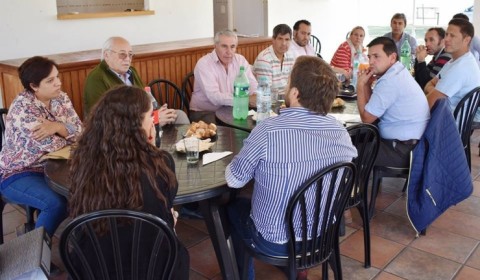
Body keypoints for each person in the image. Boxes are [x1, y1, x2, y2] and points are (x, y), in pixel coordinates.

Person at [225, 56, 357, 278]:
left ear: (295, 93)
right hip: (322, 237)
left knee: (231, 208)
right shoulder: (341, 133)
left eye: (287, 84)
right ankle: (299, 269)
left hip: (275, 243)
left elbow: (234, 180)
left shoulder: (268, 131)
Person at [69, 85, 189, 279]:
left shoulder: (83, 162)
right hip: (152, 268)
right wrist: (170, 221)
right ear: (136, 124)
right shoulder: (161, 163)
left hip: (94, 268)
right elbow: (164, 212)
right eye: (151, 116)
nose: (154, 121)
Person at [0, 56, 82, 237]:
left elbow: (81, 132)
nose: (58, 83)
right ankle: (36, 255)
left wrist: (58, 127)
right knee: (56, 204)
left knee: (81, 195)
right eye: (50, 80)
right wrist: (67, 132)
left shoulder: (61, 98)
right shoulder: (23, 109)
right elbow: (52, 145)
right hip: (18, 172)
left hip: (54, 168)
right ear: (33, 86)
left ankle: (79, 249)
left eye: (58, 77)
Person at [356, 37, 429, 168]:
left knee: (345, 151)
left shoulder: (391, 81)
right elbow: (372, 110)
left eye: (376, 56)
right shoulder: (397, 72)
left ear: (392, 57)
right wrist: (366, 84)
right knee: (356, 138)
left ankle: (354, 187)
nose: (371, 61)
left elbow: (367, 119)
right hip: (409, 144)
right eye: (369, 56)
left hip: (403, 151)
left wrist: (360, 85)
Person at [83, 36, 181, 125]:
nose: (127, 59)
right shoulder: (96, 78)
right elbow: (103, 120)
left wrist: (159, 110)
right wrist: (153, 119)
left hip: (145, 120)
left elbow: (146, 97)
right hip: (120, 132)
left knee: (179, 116)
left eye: (130, 55)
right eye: (122, 54)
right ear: (107, 55)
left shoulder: (131, 72)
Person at [190, 30, 258, 123]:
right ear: (215, 46)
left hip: (232, 109)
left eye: (232, 47)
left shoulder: (240, 60)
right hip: (205, 112)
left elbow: (252, 84)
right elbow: (214, 97)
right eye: (224, 46)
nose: (229, 52)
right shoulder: (204, 64)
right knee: (228, 130)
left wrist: (255, 95)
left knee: (257, 124)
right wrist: (245, 99)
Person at [425, 18, 480, 110]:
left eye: (452, 36)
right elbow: (429, 83)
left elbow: (429, 103)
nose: (446, 39)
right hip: (442, 116)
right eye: (446, 34)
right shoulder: (454, 61)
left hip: (448, 122)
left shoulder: (461, 67)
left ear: (466, 40)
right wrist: (434, 90)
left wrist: (433, 90)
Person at [253, 24, 294, 96]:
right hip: (271, 101)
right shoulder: (264, 59)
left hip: (287, 99)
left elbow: (294, 83)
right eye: (280, 39)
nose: (284, 43)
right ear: (273, 40)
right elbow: (265, 93)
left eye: (287, 39)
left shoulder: (290, 56)